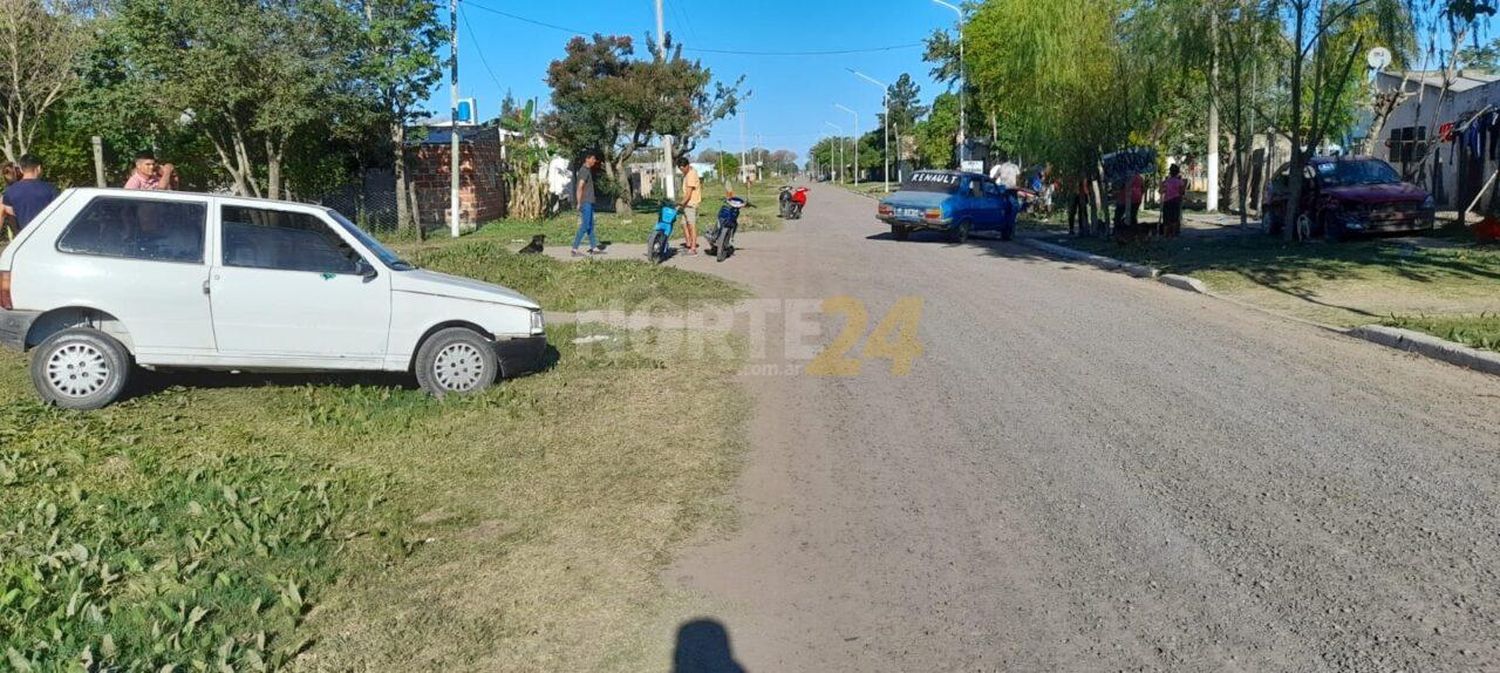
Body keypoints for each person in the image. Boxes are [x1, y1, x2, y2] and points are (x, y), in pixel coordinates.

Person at [1, 154, 59, 234]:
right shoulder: (50, 189)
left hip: (24, 240)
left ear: (21, 169)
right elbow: (57, 215)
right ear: (38, 168)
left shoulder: (9, 192)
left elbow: (12, 218)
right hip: (48, 236)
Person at [571, 151, 602, 256]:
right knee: (585, 226)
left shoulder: (587, 170)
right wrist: (579, 202)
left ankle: (594, 248)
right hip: (586, 202)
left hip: (589, 201)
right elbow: (580, 187)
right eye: (593, 159)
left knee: (590, 226)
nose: (594, 161)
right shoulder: (584, 171)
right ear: (587, 159)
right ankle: (574, 249)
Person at [676, 156, 702, 255]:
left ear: (688, 166)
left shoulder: (691, 175)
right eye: (680, 169)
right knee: (683, 224)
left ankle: (693, 248)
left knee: (691, 225)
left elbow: (689, 194)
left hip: (691, 204)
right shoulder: (687, 173)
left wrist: (680, 204)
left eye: (683, 169)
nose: (682, 171)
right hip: (686, 205)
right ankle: (688, 244)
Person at [1160, 164, 1187, 237]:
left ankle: (1166, 234)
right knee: (1175, 217)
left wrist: (1163, 185)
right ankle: (1174, 234)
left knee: (1166, 218)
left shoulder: (1167, 181)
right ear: (1178, 172)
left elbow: (1161, 191)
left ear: (1170, 172)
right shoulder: (1180, 182)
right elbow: (1182, 192)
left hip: (1167, 201)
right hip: (1176, 200)